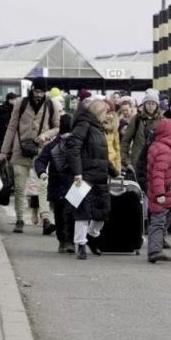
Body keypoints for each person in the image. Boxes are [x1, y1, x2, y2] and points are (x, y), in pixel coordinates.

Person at [0, 77, 60, 234]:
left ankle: (45, 218)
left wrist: (45, 135)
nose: (39, 94)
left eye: (41, 91)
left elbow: (57, 127)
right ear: (32, 89)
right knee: (20, 186)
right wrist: (4, 152)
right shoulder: (21, 103)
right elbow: (12, 127)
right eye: (36, 90)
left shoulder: (50, 104)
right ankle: (19, 218)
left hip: (41, 151)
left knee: (42, 184)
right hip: (21, 150)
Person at [65, 99, 111, 260]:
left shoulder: (99, 128)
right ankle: (81, 244)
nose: (107, 115)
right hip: (84, 177)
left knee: (102, 213)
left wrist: (113, 170)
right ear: (98, 112)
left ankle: (92, 236)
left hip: (99, 176)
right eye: (105, 112)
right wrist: (77, 172)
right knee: (82, 214)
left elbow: (101, 154)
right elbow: (73, 149)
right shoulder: (84, 126)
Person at [35, 114, 76, 254]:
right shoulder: (75, 144)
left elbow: (40, 161)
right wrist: (42, 172)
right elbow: (40, 161)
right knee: (63, 214)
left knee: (65, 214)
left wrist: (42, 172)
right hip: (65, 183)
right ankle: (66, 241)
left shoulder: (53, 145)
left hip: (63, 184)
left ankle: (66, 241)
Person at [146, 118, 171, 263]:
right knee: (158, 222)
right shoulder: (165, 150)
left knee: (159, 221)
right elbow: (158, 173)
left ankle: (156, 248)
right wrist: (160, 193)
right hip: (162, 193)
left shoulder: (156, 146)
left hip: (159, 191)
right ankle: (154, 251)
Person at [121, 88, 162, 179]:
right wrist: (127, 161)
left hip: (156, 161)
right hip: (137, 162)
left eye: (153, 104)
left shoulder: (161, 121)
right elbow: (125, 141)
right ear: (144, 104)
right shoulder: (136, 119)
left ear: (157, 105)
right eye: (148, 103)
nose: (150, 106)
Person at [101, 98, 122, 175]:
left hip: (112, 163)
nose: (109, 116)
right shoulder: (98, 126)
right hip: (101, 163)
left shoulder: (114, 129)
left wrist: (118, 167)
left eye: (111, 113)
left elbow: (117, 149)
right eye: (107, 113)